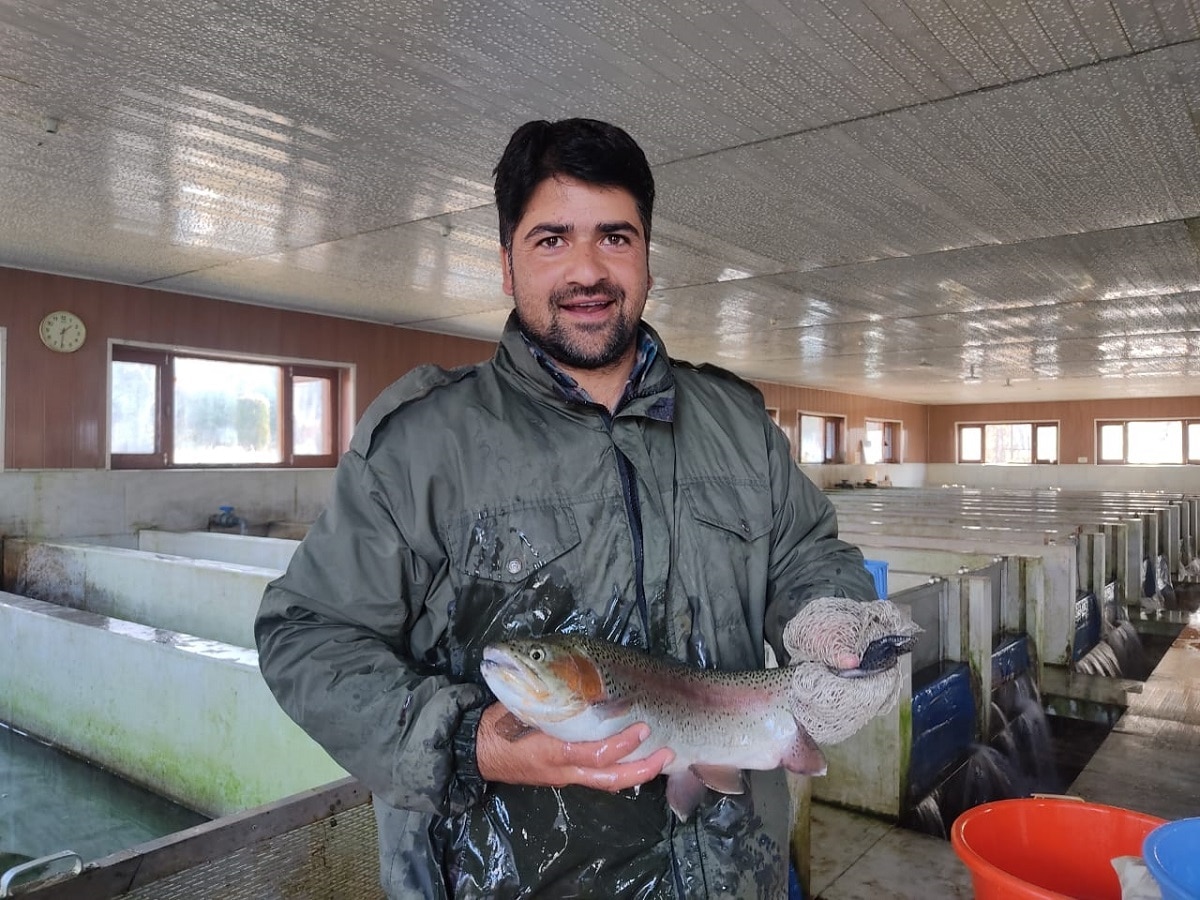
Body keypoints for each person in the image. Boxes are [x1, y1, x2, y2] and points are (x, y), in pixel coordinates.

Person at [255, 117, 879, 899]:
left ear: (648, 255)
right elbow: (306, 637)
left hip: (733, 871)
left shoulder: (736, 425)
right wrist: (470, 742)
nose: (587, 270)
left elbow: (810, 555)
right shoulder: (423, 444)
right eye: (551, 239)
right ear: (507, 265)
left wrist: (833, 617)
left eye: (614, 237)